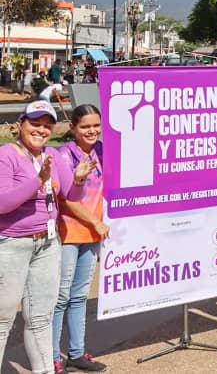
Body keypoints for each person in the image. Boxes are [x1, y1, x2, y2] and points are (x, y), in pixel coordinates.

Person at [0, 101, 94, 373]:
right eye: (35, 123)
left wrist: (78, 180)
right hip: (12, 245)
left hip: (48, 244)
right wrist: (38, 180)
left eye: (46, 125)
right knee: (3, 321)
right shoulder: (7, 155)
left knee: (40, 318)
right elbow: (3, 204)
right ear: (21, 124)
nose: (41, 130)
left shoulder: (52, 155)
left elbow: (73, 196)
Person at [52, 105, 108, 374]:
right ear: (73, 128)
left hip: (91, 234)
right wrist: (95, 221)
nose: (92, 131)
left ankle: (76, 352)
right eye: (85, 126)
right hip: (68, 233)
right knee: (60, 297)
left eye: (96, 125)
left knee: (79, 297)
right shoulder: (64, 155)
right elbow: (65, 199)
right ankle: (52, 356)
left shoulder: (101, 151)